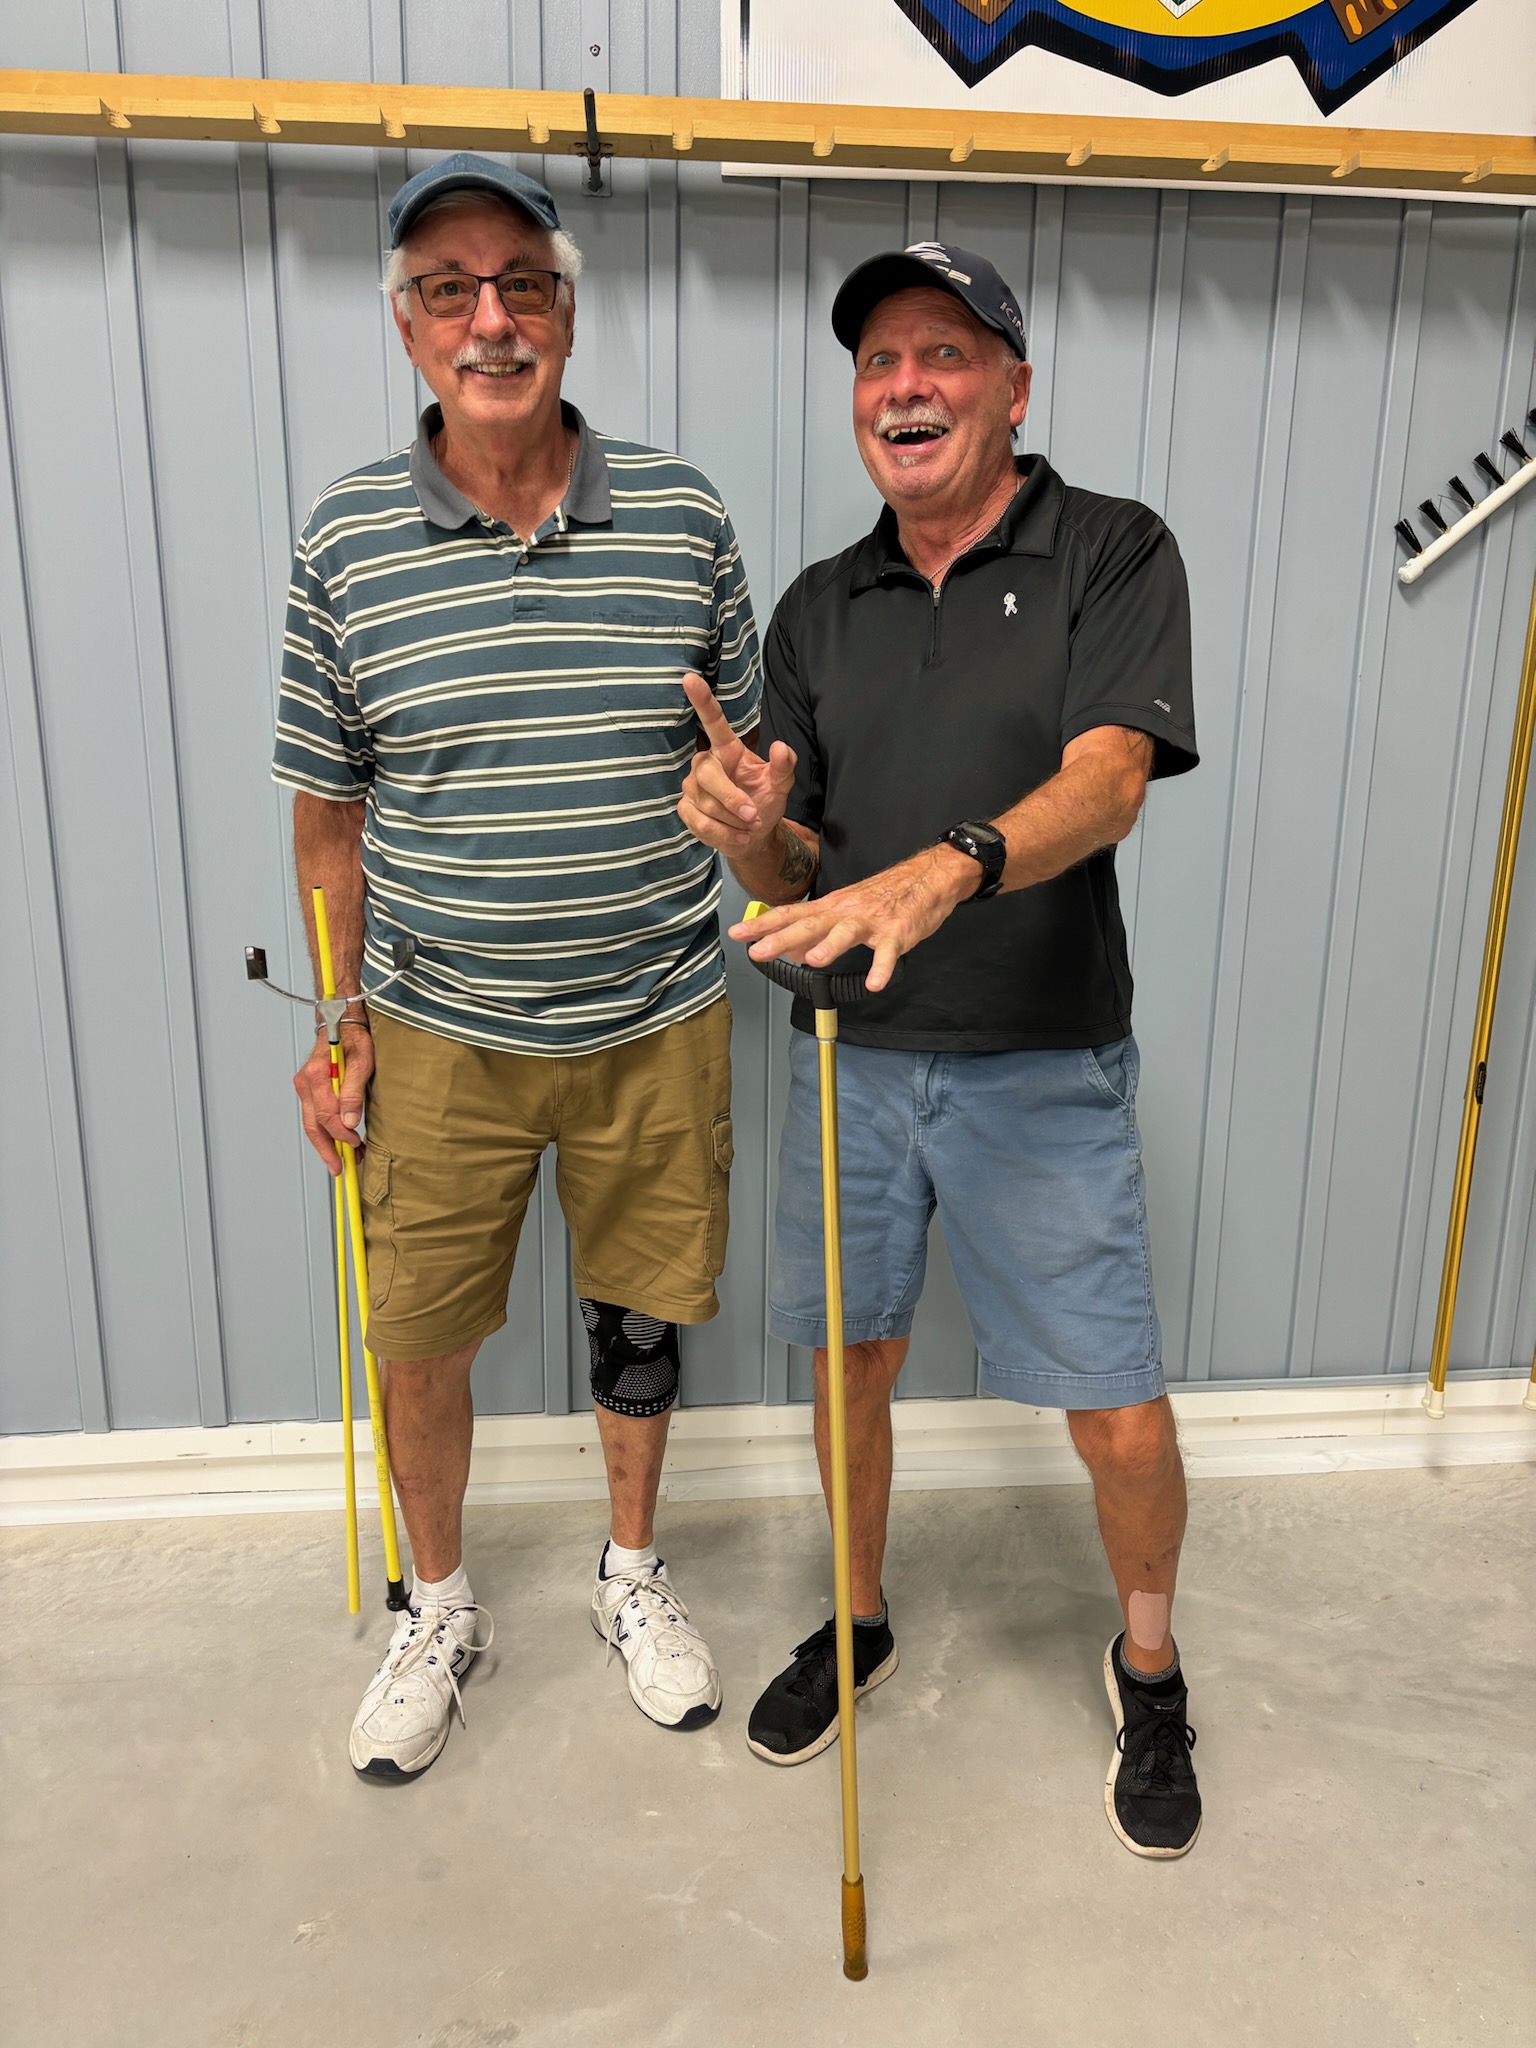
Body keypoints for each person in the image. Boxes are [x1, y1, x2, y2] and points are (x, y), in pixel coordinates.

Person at [678, 241, 1203, 1857]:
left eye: (944, 354)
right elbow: (796, 866)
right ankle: (859, 1623)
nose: (905, 386)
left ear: (1013, 387)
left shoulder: (1112, 548)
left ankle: (1151, 1665)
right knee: (849, 1362)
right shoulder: (817, 606)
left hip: (1041, 1056)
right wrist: (750, 833)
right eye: (878, 362)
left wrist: (953, 863)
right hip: (850, 1055)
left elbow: (1110, 782)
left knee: (1114, 1404)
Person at [272, 155, 760, 1779]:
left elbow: (749, 773)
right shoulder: (346, 539)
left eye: (522, 284)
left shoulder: (683, 516)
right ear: (407, 325)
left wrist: (761, 821)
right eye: (448, 288)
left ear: (565, 310)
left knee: (642, 1315)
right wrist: (336, 1023)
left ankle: (631, 1571)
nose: (491, 319)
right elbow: (328, 819)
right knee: (418, 1332)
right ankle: (441, 1606)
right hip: (434, 1028)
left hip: (656, 1010)